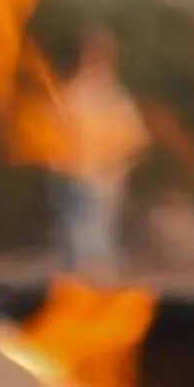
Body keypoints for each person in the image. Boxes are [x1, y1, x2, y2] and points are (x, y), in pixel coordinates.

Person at [49, 30, 149, 277]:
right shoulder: (73, 95)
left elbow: (136, 140)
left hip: (103, 183)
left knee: (96, 245)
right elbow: (52, 141)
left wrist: (119, 169)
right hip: (78, 180)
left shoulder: (111, 97)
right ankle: (88, 297)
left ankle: (94, 298)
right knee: (85, 245)